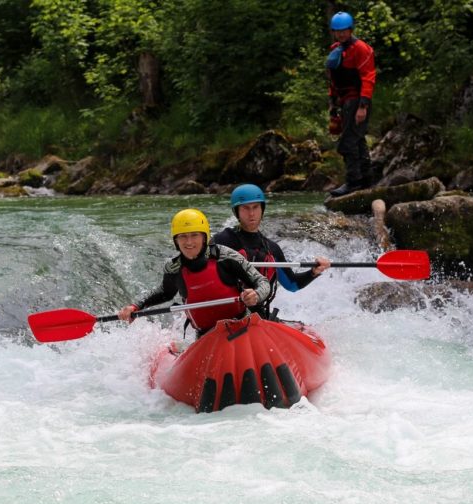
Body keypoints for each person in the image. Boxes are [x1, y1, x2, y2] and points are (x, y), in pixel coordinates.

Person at [117, 208, 270, 337]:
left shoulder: (225, 256)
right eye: (182, 237)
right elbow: (164, 293)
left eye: (194, 235)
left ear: (204, 238)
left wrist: (256, 295)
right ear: (176, 241)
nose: (189, 242)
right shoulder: (174, 268)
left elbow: (262, 282)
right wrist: (134, 307)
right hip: (206, 336)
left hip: (242, 328)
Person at [211, 184, 331, 320]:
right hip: (226, 317)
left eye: (255, 207)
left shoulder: (271, 249)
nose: (251, 213)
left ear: (262, 209)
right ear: (236, 211)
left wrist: (314, 271)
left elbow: (292, 284)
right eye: (245, 208)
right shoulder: (222, 240)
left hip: (259, 318)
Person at [326, 10, 376, 197]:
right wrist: (333, 104)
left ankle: (353, 182)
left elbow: (368, 78)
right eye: (338, 31)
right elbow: (333, 80)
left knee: (348, 141)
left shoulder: (361, 48)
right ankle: (366, 179)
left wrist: (363, 106)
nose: (341, 34)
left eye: (344, 30)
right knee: (358, 140)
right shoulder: (335, 50)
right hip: (345, 101)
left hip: (357, 100)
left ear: (351, 29)